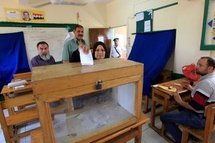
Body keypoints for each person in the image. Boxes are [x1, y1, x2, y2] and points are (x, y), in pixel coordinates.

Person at [160, 56, 215, 143]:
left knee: (164, 116)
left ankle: (182, 139)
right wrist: (192, 89)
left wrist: (180, 101)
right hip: (208, 115)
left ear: (210, 68)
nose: (197, 67)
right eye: (197, 64)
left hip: (201, 118)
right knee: (181, 107)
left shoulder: (206, 83)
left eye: (200, 65)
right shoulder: (212, 78)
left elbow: (195, 107)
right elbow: (207, 96)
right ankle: (184, 125)